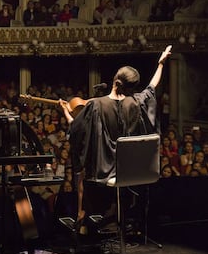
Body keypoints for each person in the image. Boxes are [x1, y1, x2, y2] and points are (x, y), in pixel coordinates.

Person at [59, 45, 172, 229]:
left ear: (114, 80)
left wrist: (66, 111)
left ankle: (82, 218)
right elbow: (152, 87)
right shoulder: (136, 102)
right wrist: (160, 64)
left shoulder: (96, 105)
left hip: (104, 169)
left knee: (81, 173)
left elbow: (76, 129)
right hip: (129, 169)